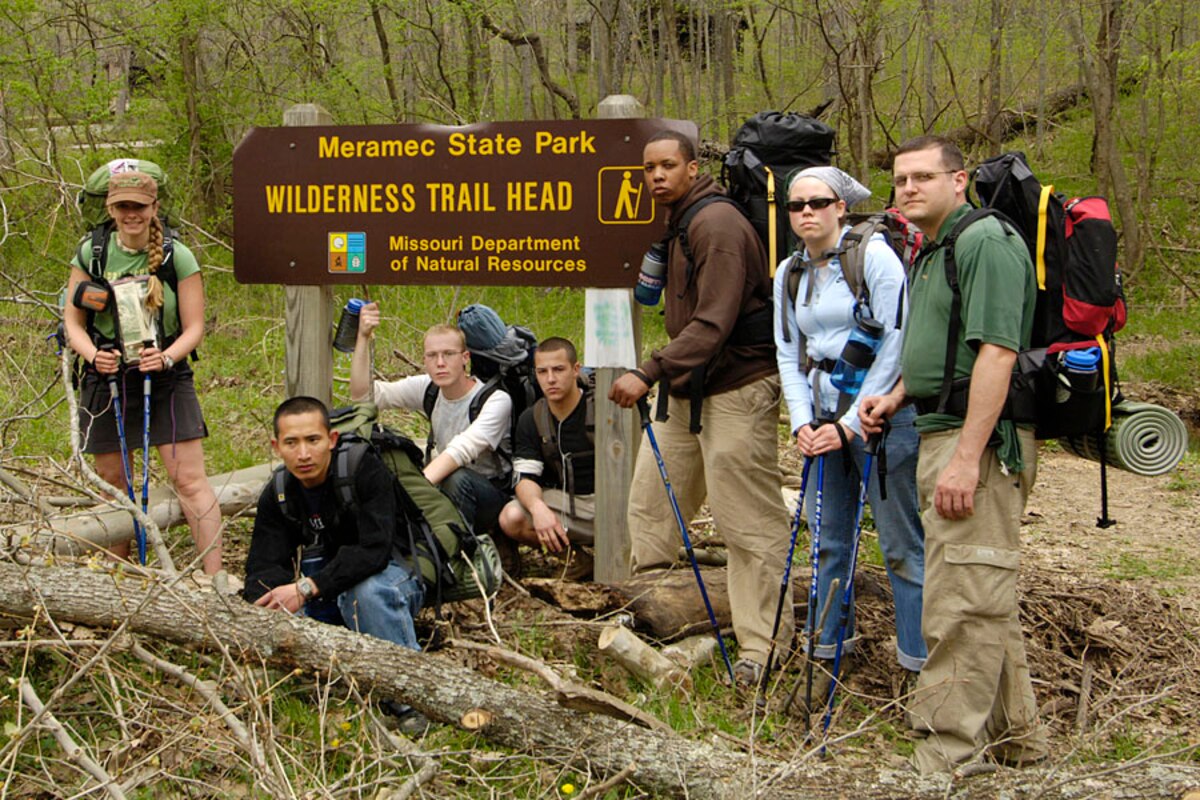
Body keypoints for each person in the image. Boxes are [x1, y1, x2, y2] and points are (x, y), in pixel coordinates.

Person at [859, 135, 1047, 773]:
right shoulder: (934, 248)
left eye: (922, 177)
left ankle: (943, 753)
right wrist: (898, 393)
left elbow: (995, 352)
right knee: (980, 587)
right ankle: (1017, 742)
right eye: (899, 179)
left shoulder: (984, 242)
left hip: (979, 441)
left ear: (958, 180)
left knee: (961, 597)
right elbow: (948, 348)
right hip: (941, 427)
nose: (907, 188)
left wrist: (968, 457)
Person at [609, 130, 791, 687]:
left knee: (748, 522)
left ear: (693, 168)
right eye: (648, 168)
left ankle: (765, 646)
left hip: (736, 387)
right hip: (686, 391)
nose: (656, 176)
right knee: (650, 509)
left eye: (668, 165)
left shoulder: (718, 226)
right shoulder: (681, 219)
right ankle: (657, 615)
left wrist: (649, 369)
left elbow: (714, 322)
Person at [774, 166, 926, 699]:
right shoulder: (789, 271)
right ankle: (825, 658)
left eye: (818, 202)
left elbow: (896, 344)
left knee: (901, 544)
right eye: (796, 205)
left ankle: (918, 671)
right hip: (820, 422)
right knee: (828, 543)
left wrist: (847, 425)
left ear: (842, 206)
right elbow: (788, 352)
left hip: (880, 421)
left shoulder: (875, 258)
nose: (806, 212)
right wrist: (802, 423)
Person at [63, 169, 222, 574]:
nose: (131, 214)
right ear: (110, 209)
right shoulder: (92, 252)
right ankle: (121, 577)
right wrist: (93, 356)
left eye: (139, 206)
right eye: (123, 206)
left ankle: (215, 580)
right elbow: (74, 323)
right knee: (114, 482)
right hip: (106, 374)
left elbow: (195, 327)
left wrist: (167, 357)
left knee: (188, 479)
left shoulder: (176, 255)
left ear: (154, 208)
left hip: (165, 374)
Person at [243, 396, 428, 732]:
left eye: (313, 440)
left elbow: (375, 550)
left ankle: (411, 700)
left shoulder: (363, 469)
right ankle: (312, 687)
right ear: (276, 446)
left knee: (366, 593)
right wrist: (266, 602)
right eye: (291, 443)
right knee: (273, 602)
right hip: (327, 587)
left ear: (331, 439)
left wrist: (306, 587)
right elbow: (263, 565)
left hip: (392, 576)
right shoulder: (280, 491)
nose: (303, 454)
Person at [349, 304, 512, 538]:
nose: (440, 362)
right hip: (445, 486)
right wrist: (363, 338)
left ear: (465, 358)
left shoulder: (495, 399)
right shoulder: (428, 388)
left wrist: (413, 492)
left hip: (491, 496)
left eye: (448, 354)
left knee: (456, 478)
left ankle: (461, 555)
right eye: (432, 356)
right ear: (424, 360)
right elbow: (363, 396)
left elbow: (462, 450)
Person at [497, 338, 594, 581]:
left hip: (615, 506)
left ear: (575, 369)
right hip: (569, 506)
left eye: (558, 370)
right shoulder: (533, 418)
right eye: (542, 371)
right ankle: (575, 560)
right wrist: (538, 508)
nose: (550, 379)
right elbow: (524, 477)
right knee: (512, 516)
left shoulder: (600, 408)